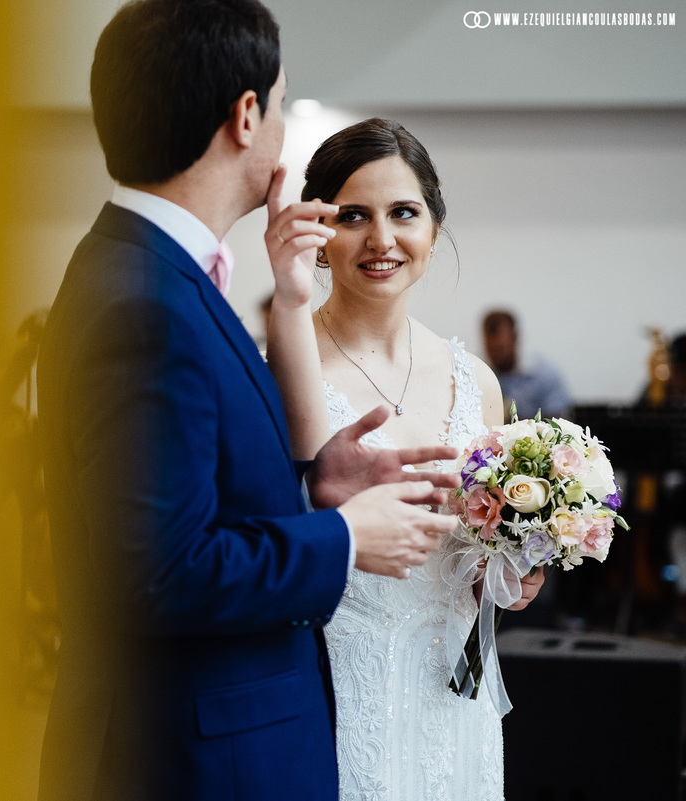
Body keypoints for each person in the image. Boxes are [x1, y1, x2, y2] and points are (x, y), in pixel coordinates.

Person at [37, 3, 465, 799]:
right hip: (195, 762)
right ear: (244, 115)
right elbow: (161, 572)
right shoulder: (147, 303)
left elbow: (185, 505)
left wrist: (311, 486)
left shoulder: (145, 273)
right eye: (280, 101)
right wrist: (343, 536)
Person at [265, 118, 545, 800]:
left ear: (434, 227)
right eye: (353, 216)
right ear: (319, 232)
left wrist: (509, 572)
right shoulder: (285, 365)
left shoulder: (476, 381)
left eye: (403, 213)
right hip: (341, 688)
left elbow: (479, 558)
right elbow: (283, 528)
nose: (381, 239)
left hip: (454, 700)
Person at [482, 309, 572, 419]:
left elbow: (557, 419)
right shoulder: (480, 376)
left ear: (515, 338)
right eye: (490, 349)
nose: (496, 355)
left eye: (501, 348)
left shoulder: (544, 374)